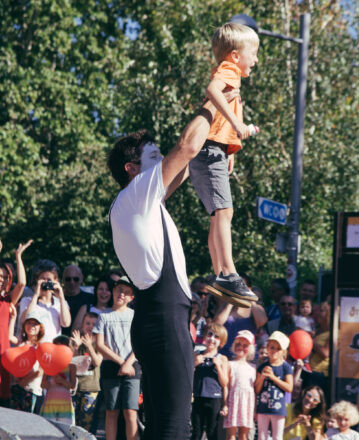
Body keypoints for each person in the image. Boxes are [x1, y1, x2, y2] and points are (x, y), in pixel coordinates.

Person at [107, 87, 239, 439]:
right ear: (132, 169)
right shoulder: (134, 196)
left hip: (160, 320)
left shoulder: (144, 203)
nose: (164, 158)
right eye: (155, 156)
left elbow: (187, 163)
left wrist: (217, 150)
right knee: (175, 428)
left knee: (165, 426)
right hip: (164, 324)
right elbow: (187, 148)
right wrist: (217, 100)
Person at [189, 22, 259, 303]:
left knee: (219, 215)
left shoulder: (232, 73)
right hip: (210, 151)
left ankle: (220, 272)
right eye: (252, 53)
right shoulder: (230, 71)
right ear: (234, 56)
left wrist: (230, 150)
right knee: (224, 213)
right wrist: (237, 124)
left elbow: (218, 116)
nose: (255, 59)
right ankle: (228, 273)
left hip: (214, 150)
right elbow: (212, 91)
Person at [0, 228, 31, 405]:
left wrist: (18, 256)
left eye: (5, 277)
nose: (1, 279)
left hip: (2, 352)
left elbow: (23, 283)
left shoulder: (8, 300)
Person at [94, 276, 140, 440]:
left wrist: (128, 363)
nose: (122, 294)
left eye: (126, 292)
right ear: (113, 291)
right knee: (111, 411)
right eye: (119, 290)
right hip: (111, 366)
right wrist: (121, 362)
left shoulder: (135, 315)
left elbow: (140, 343)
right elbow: (99, 344)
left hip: (133, 366)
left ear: (131, 297)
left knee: (130, 411)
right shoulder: (104, 316)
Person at [191, 323, 229, 440]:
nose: (212, 339)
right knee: (196, 431)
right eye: (210, 335)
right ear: (204, 336)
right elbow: (187, 376)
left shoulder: (222, 358)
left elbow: (225, 383)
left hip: (214, 399)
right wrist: (195, 364)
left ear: (221, 342)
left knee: (212, 432)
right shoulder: (197, 355)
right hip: (198, 397)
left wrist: (218, 366)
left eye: (216, 337)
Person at [255, 331, 293, 440]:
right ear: (267, 347)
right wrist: (262, 377)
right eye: (272, 347)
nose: (274, 351)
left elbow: (289, 388)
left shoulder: (286, 367)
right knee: (261, 436)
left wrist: (273, 377)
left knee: (277, 437)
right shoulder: (262, 367)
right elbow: (257, 390)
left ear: (283, 351)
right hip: (262, 407)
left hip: (278, 408)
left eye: (278, 348)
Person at [19, 265, 71, 342]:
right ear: (37, 280)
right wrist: (36, 295)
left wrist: (61, 298)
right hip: (33, 347)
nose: (46, 283)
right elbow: (24, 319)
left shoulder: (60, 303)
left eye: (49, 280)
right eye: (43, 279)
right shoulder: (27, 301)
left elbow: (66, 323)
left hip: (53, 347)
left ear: (55, 281)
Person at [71, 312, 103, 433]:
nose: (90, 326)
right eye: (87, 323)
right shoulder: (77, 342)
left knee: (87, 424)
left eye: (94, 324)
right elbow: (72, 363)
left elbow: (97, 362)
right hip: (75, 388)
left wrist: (89, 346)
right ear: (82, 325)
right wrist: (76, 347)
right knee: (74, 422)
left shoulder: (99, 343)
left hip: (91, 389)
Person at [9, 309, 45, 414]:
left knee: (26, 420)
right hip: (16, 386)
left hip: (31, 389)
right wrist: (13, 318)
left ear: (40, 328)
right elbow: (10, 337)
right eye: (29, 322)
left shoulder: (41, 346)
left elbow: (40, 371)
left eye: (35, 324)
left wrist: (24, 381)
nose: (31, 326)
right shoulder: (21, 341)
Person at [224, 330, 256, 440]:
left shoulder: (253, 368)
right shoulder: (230, 364)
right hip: (233, 400)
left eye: (245, 345)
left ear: (250, 348)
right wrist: (225, 404)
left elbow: (255, 389)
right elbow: (226, 386)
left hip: (247, 402)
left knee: (244, 434)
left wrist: (255, 408)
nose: (241, 347)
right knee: (231, 435)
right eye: (238, 344)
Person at [40, 335, 76, 425]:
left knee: (65, 429)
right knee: (49, 428)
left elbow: (73, 386)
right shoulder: (49, 364)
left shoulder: (71, 366)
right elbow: (42, 384)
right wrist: (51, 382)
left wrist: (62, 381)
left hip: (65, 404)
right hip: (50, 402)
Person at [61, 265, 93, 336]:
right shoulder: (56, 299)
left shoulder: (90, 298)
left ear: (81, 279)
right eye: (68, 279)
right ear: (63, 280)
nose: (72, 282)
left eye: (76, 279)